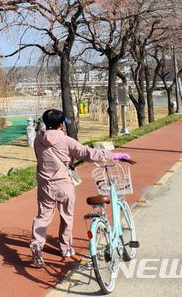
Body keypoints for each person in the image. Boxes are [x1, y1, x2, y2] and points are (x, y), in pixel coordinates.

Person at [30, 109, 131, 267]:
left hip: (44, 185)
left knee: (43, 217)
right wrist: (113, 155)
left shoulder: (37, 139)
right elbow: (87, 153)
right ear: (61, 124)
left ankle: (37, 246)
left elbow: (40, 158)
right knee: (66, 217)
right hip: (64, 184)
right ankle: (65, 248)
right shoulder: (66, 140)